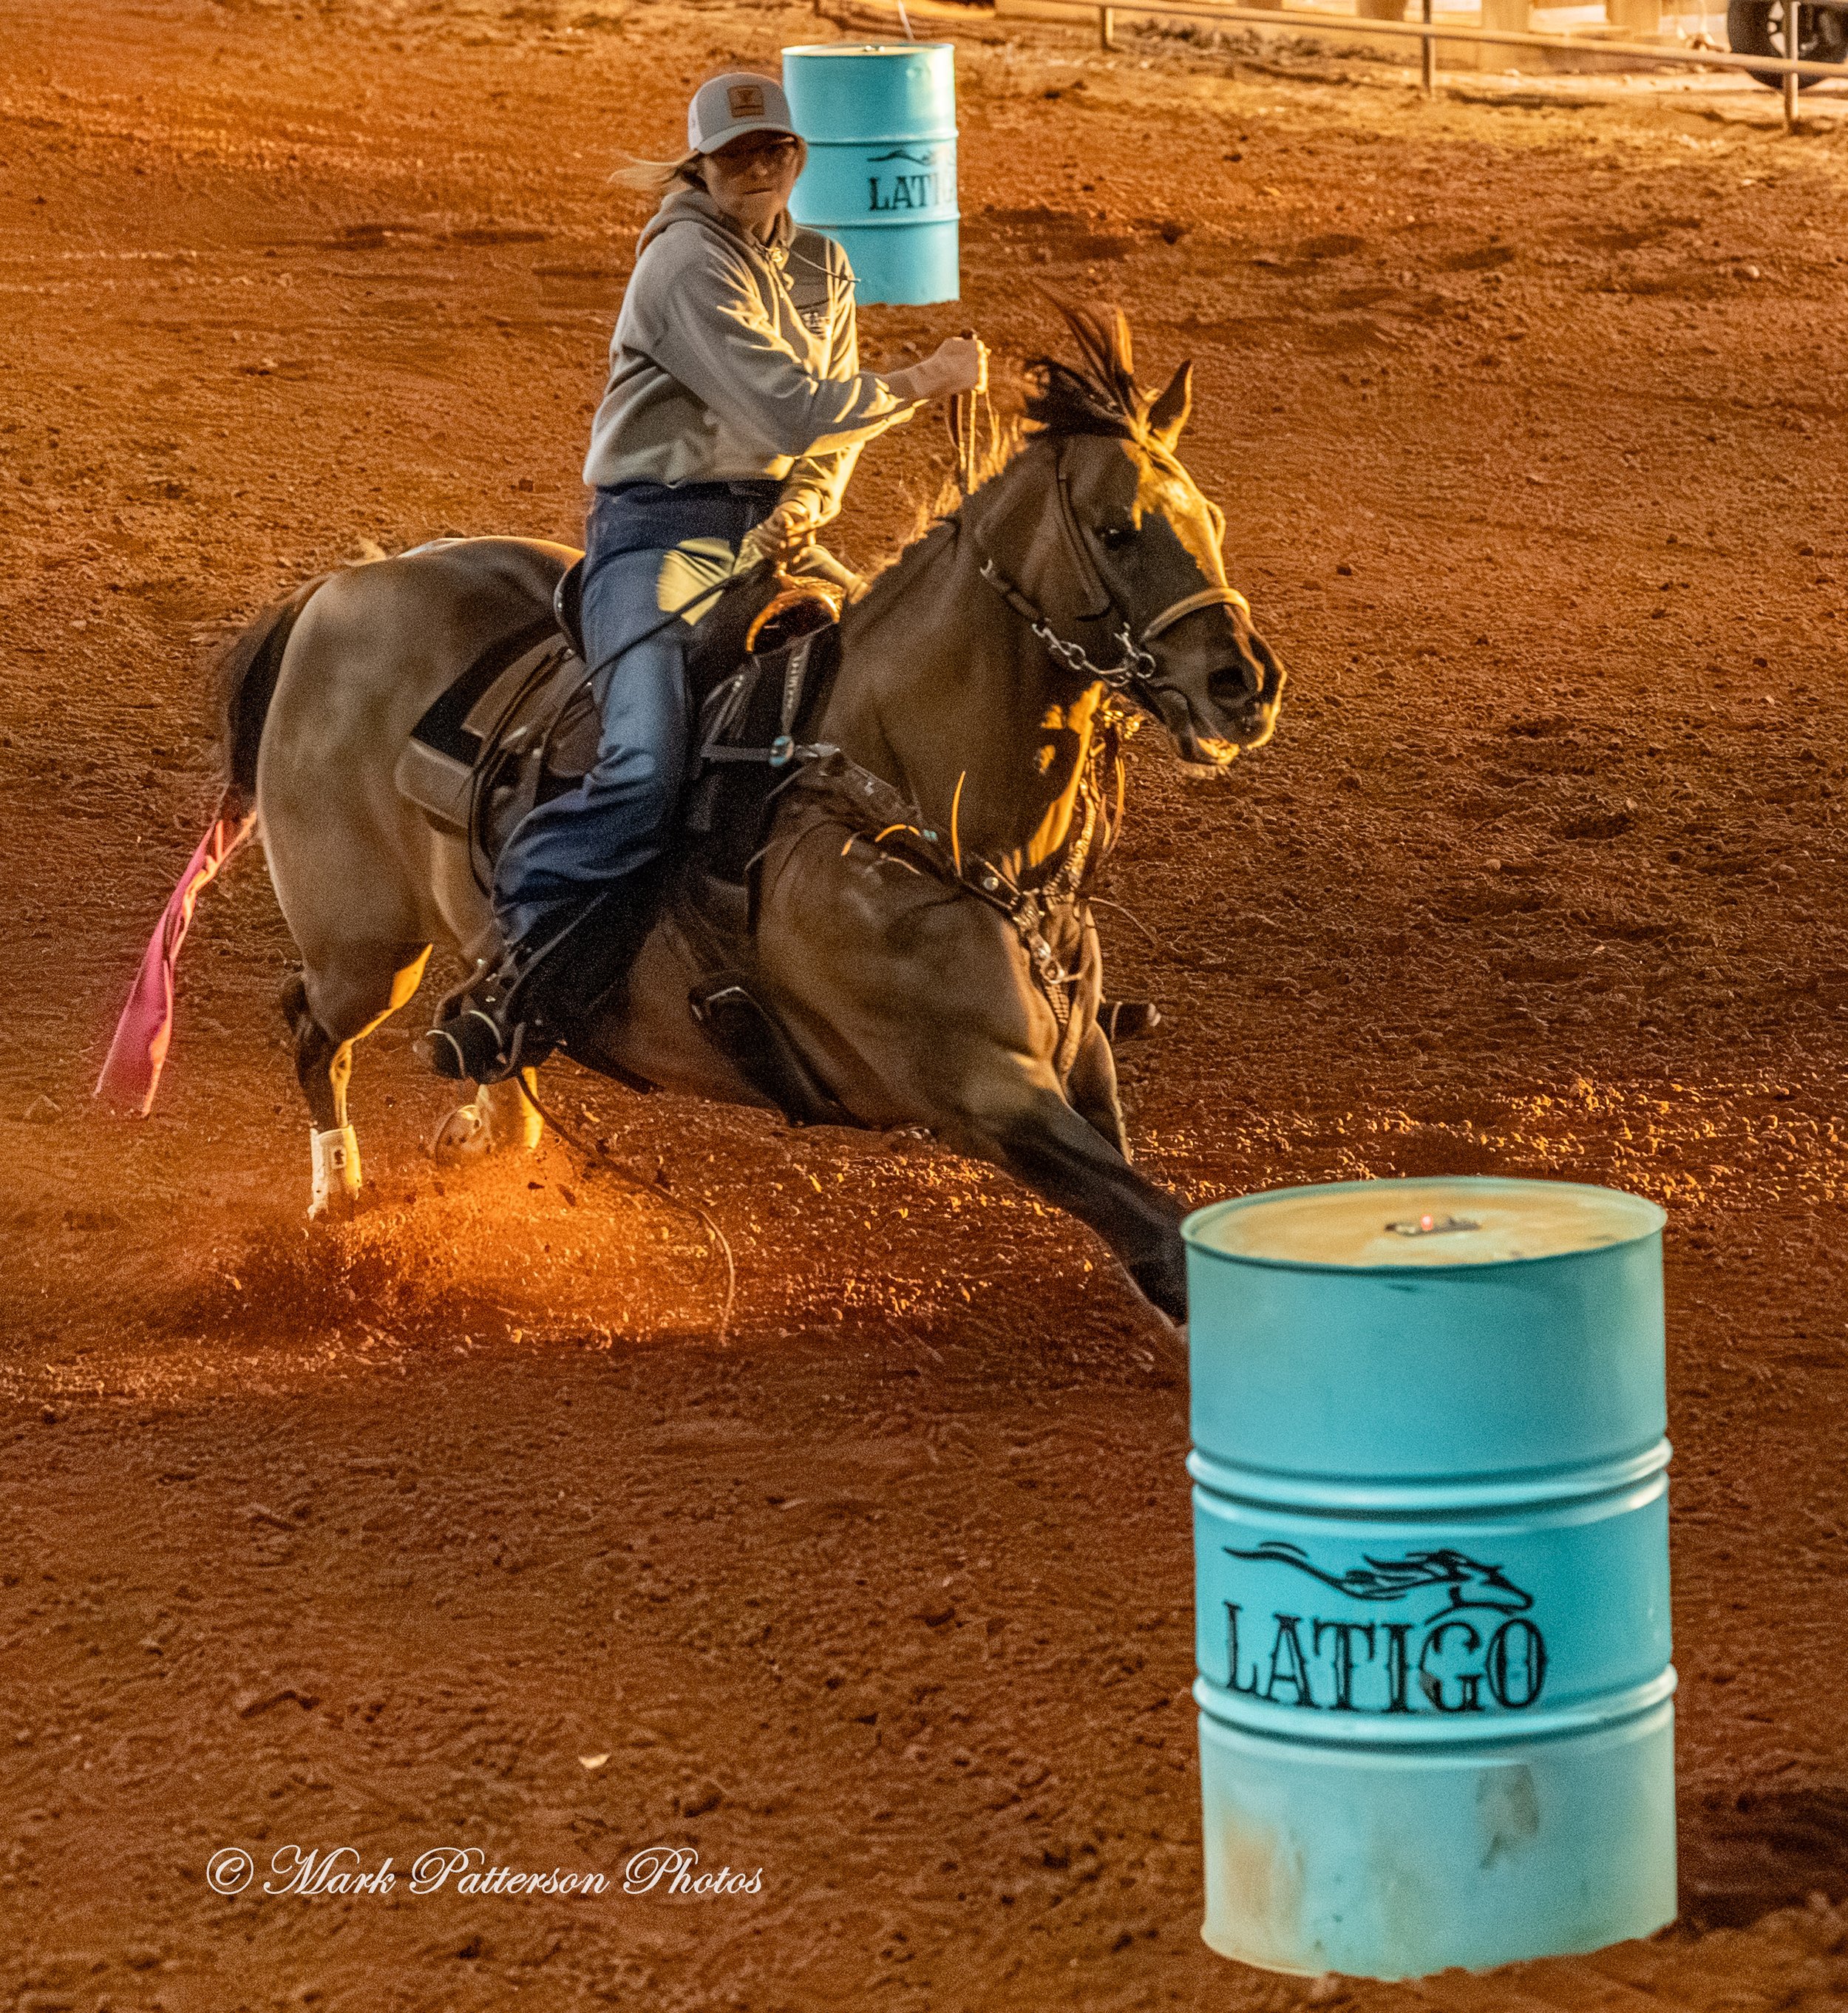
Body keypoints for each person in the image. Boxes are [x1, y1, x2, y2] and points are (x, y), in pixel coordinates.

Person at [429, 70, 986, 1084]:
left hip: (773, 527)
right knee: (644, 764)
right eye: (735, 155)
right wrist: (927, 380)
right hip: (660, 531)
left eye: (772, 148)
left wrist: (803, 510)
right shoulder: (684, 261)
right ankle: (518, 957)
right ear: (702, 166)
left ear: (798, 156)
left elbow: (826, 429)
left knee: (905, 690)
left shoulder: (821, 263)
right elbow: (790, 407)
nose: (756, 167)